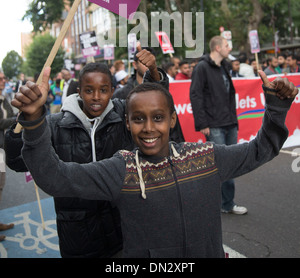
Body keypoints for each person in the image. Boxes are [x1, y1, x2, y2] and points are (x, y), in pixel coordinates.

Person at [9, 69, 297, 258]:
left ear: (172, 120)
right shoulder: (120, 170)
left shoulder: (205, 158)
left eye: (158, 117)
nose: (148, 128)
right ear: (127, 123)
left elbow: (261, 149)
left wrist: (276, 108)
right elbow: (54, 177)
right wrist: (34, 123)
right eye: (138, 119)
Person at [4, 45, 165, 258]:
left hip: (122, 229)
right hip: (78, 235)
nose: (96, 97)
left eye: (103, 90)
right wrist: (29, 118)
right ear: (79, 91)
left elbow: (151, 99)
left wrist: (154, 71)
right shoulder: (55, 124)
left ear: (112, 90)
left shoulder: (122, 115)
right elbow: (18, 161)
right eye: (89, 90)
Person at [190, 36, 247, 214]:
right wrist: (203, 123)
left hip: (229, 122)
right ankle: (225, 203)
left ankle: (224, 202)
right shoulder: (202, 68)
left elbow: (229, 95)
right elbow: (196, 95)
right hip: (214, 125)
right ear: (216, 48)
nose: (229, 48)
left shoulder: (224, 66)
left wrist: (234, 121)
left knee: (229, 163)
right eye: (226, 45)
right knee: (221, 164)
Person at [0, 71, 16, 241]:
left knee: (0, 184)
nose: (3, 81)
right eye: (0, 79)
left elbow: (11, 114)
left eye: (4, 78)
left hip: (2, 149)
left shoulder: (3, 98)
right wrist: (14, 120)